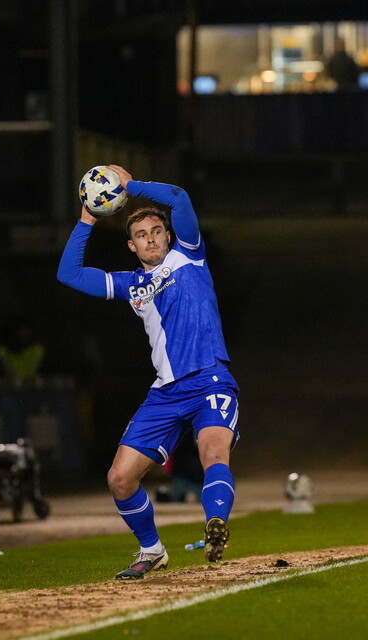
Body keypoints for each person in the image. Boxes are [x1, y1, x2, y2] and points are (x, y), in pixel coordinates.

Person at [57, 165, 239, 579]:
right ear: (131, 245)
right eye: (142, 235)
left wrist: (129, 186)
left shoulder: (189, 255)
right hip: (165, 393)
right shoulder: (130, 284)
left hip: (210, 377)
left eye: (156, 231)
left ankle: (216, 526)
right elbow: (67, 274)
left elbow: (178, 197)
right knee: (120, 479)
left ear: (169, 236)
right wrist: (87, 218)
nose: (151, 238)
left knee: (213, 454)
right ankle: (152, 550)